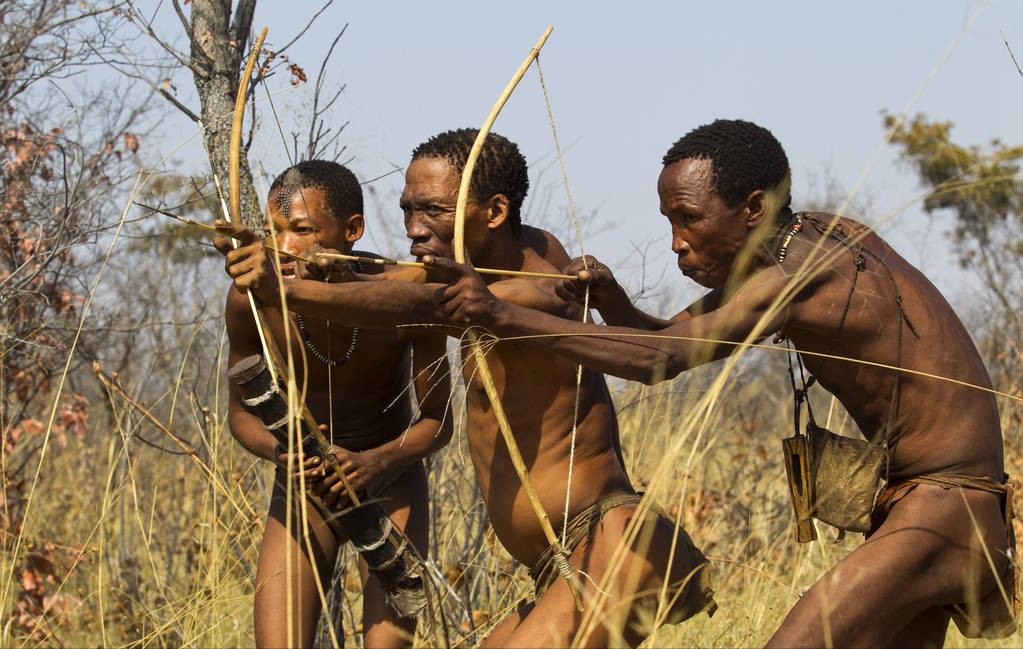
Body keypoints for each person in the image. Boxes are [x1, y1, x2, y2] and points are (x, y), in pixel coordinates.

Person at [430, 119, 1019, 647]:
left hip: (947, 505)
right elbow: (664, 334)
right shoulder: (814, 237)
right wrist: (612, 300)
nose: (676, 241)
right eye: (669, 221)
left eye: (689, 219)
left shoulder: (799, 275)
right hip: (924, 505)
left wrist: (499, 315)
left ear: (753, 208)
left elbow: (662, 360)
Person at [218, 129, 717, 648]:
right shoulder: (502, 261)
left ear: (495, 212)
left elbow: (424, 305)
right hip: (561, 565)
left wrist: (285, 288)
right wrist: (289, 263)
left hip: (614, 545)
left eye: (432, 210)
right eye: (408, 209)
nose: (413, 229)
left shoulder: (543, 288)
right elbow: (395, 285)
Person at [222, 160, 453, 649]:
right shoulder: (252, 299)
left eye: (303, 231)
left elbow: (437, 421)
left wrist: (375, 462)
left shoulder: (406, 292)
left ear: (352, 230)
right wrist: (277, 452)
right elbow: (239, 413)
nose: (283, 248)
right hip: (304, 484)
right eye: (273, 231)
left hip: (389, 480)